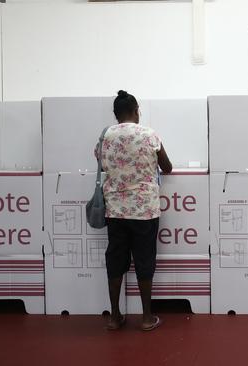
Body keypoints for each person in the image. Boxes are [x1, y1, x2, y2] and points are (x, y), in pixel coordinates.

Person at [95, 90, 173, 331]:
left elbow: (100, 161)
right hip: (144, 211)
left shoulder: (106, 136)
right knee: (144, 260)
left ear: (116, 114)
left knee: (116, 260)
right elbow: (167, 167)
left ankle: (115, 316)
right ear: (137, 110)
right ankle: (147, 317)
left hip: (116, 209)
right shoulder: (149, 135)